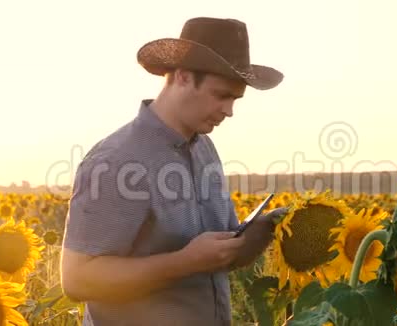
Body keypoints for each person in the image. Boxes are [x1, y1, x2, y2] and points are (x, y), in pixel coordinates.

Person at [60, 17, 286, 326]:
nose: (229, 111)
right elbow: (77, 280)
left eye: (235, 99)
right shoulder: (116, 161)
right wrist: (184, 262)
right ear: (181, 77)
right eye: (221, 95)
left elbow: (216, 257)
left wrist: (260, 232)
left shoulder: (205, 149)